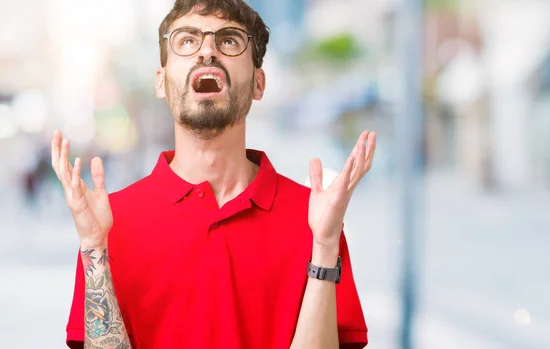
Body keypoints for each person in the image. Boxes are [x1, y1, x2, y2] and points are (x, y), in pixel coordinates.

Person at [51, 0, 376, 348]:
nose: (207, 50)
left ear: (258, 84)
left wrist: (325, 246)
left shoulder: (315, 221)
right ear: (161, 82)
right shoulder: (108, 223)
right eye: (187, 41)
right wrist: (94, 249)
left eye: (230, 40)